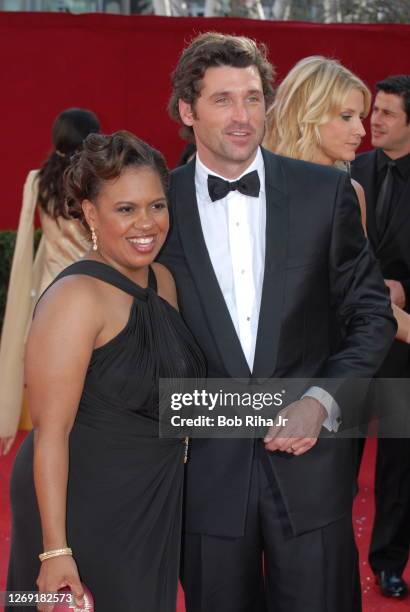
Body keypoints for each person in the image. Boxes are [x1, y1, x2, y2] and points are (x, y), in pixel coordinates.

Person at [159, 33, 396, 612]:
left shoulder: (325, 191)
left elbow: (369, 314)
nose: (242, 117)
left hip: (312, 467)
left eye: (252, 98)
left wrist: (321, 400)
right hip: (205, 470)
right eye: (222, 100)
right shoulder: (158, 205)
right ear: (188, 111)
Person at [6, 131, 205, 612]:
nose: (147, 223)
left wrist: (287, 407)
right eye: (126, 209)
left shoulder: (164, 281)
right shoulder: (75, 298)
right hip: (83, 505)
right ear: (91, 214)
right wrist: (55, 551)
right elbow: (51, 435)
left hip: (149, 498)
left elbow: (173, 401)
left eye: (157, 206)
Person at [0, 108, 100, 456]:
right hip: (92, 292)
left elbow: (28, 237)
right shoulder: (96, 178)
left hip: (49, 295)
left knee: (54, 397)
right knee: (90, 389)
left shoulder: (37, 180)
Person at [351, 75, 410, 599]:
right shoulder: (354, 169)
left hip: (403, 344)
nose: (375, 121)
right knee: (335, 448)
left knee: (397, 457)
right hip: (350, 336)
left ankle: (389, 561)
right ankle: (322, 555)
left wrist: (404, 290)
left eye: (388, 113)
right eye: (376, 110)